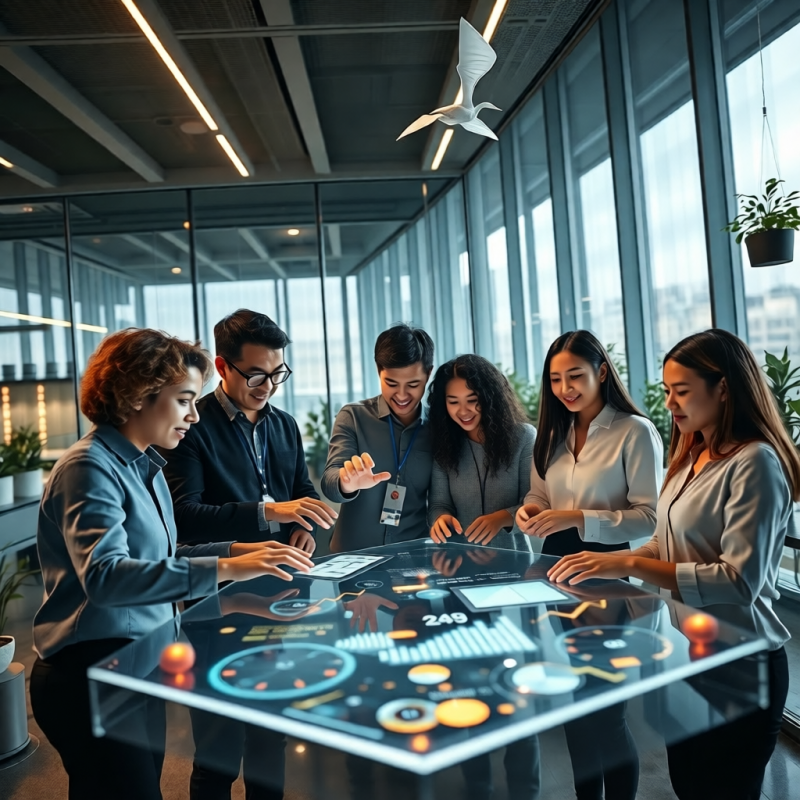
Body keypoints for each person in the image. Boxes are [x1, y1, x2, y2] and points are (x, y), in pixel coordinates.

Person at [30, 328, 313, 800]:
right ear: (138, 394)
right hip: (90, 672)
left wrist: (243, 554)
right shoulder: (89, 467)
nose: (194, 414)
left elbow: (165, 558)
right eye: (184, 400)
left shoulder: (144, 466)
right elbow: (106, 577)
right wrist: (226, 570)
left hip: (139, 663)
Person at [548, 329, 797, 800]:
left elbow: (738, 582)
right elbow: (662, 543)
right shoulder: (691, 456)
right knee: (688, 787)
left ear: (723, 387)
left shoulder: (755, 463)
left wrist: (626, 562)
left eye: (681, 391)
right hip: (691, 656)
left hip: (744, 666)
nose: (670, 403)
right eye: (666, 391)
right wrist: (607, 564)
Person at [160, 309, 337, 800]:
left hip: (280, 598)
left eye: (277, 373)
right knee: (217, 747)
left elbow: (301, 491)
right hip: (214, 602)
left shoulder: (284, 426)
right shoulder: (192, 427)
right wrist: (271, 511)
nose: (269, 385)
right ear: (222, 366)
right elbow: (187, 515)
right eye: (257, 374)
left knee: (270, 737)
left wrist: (302, 527)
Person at [516, 330, 663, 800]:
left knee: (608, 711)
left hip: (612, 577)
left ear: (601, 371)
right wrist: (530, 510)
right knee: (576, 708)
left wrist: (579, 517)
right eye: (556, 379)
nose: (565, 388)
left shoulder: (634, 431)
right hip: (557, 578)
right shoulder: (554, 432)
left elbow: (650, 516)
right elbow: (540, 495)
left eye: (575, 376)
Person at [427, 354, 539, 800]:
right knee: (468, 693)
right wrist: (439, 522)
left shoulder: (523, 438)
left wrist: (502, 517)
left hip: (515, 583)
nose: (463, 410)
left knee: (516, 697)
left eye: (472, 400)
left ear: (490, 397)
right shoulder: (446, 445)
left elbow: (537, 503)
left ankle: (524, 791)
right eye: (453, 402)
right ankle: (477, 788)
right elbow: (439, 505)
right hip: (458, 585)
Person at [322, 323, 435, 553]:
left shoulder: (438, 427)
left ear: (428, 374)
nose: (402, 395)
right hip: (353, 559)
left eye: (413, 385)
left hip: (413, 559)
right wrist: (347, 482)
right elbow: (330, 482)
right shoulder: (353, 416)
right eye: (391, 383)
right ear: (378, 370)